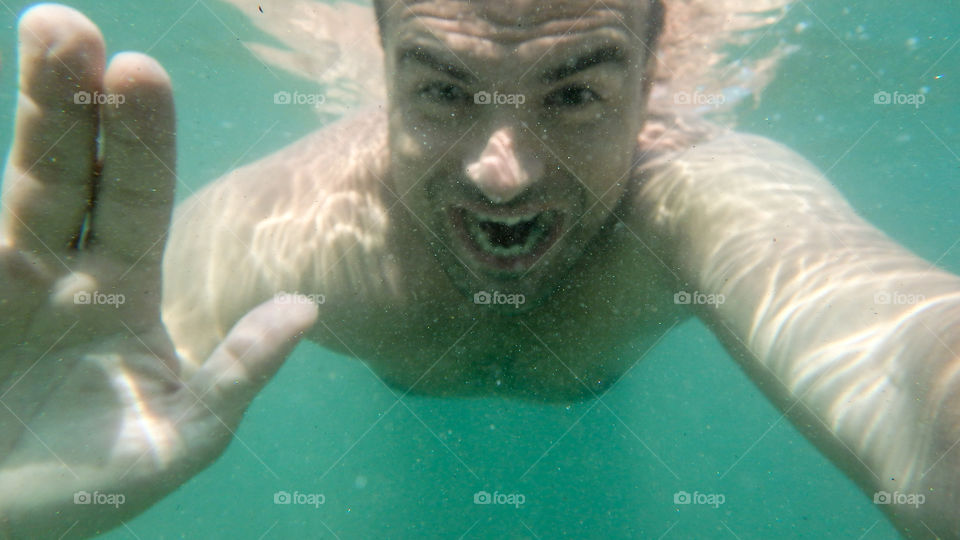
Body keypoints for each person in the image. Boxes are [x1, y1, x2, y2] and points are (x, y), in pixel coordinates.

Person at [0, 1, 957, 538]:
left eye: (576, 92)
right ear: (382, 78)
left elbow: (891, 359)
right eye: (443, 91)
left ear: (651, 88)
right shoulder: (291, 223)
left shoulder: (696, 197)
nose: (503, 171)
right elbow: (92, 367)